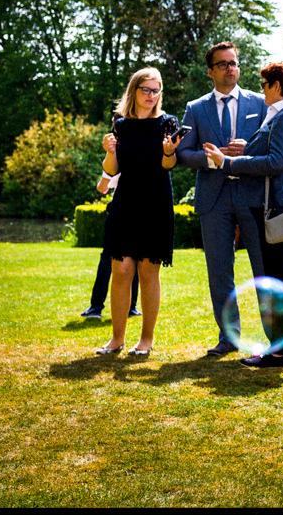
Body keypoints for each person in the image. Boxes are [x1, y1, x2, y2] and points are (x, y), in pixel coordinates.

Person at [203, 60, 283, 368]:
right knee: (273, 280)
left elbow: (276, 162)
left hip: (272, 210)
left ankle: (279, 351)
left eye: (264, 84)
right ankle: (280, 349)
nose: (262, 90)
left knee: (275, 280)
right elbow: (273, 156)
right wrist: (248, 149)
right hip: (268, 208)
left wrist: (229, 163)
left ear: (277, 86)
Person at [175, 42, 270, 358]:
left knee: (263, 270)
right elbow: (182, 155)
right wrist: (211, 158)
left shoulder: (260, 103)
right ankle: (229, 338)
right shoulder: (196, 108)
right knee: (219, 271)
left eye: (234, 63)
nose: (231, 68)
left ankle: (275, 341)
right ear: (210, 71)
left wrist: (249, 152)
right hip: (214, 199)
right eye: (223, 64)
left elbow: (273, 149)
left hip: (252, 195)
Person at [94, 67, 182, 357]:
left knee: (148, 270)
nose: (151, 95)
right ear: (134, 91)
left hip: (156, 201)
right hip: (126, 201)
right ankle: (116, 339)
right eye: (146, 89)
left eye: (156, 90)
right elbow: (111, 170)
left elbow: (169, 165)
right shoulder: (120, 124)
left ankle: (146, 339)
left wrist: (169, 152)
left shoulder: (168, 123)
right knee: (120, 269)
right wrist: (109, 150)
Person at [79, 166, 139, 319]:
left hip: (127, 212)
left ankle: (100, 307)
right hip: (128, 213)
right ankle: (124, 307)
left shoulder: (122, 155)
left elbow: (102, 187)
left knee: (114, 260)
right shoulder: (126, 154)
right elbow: (103, 187)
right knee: (122, 259)